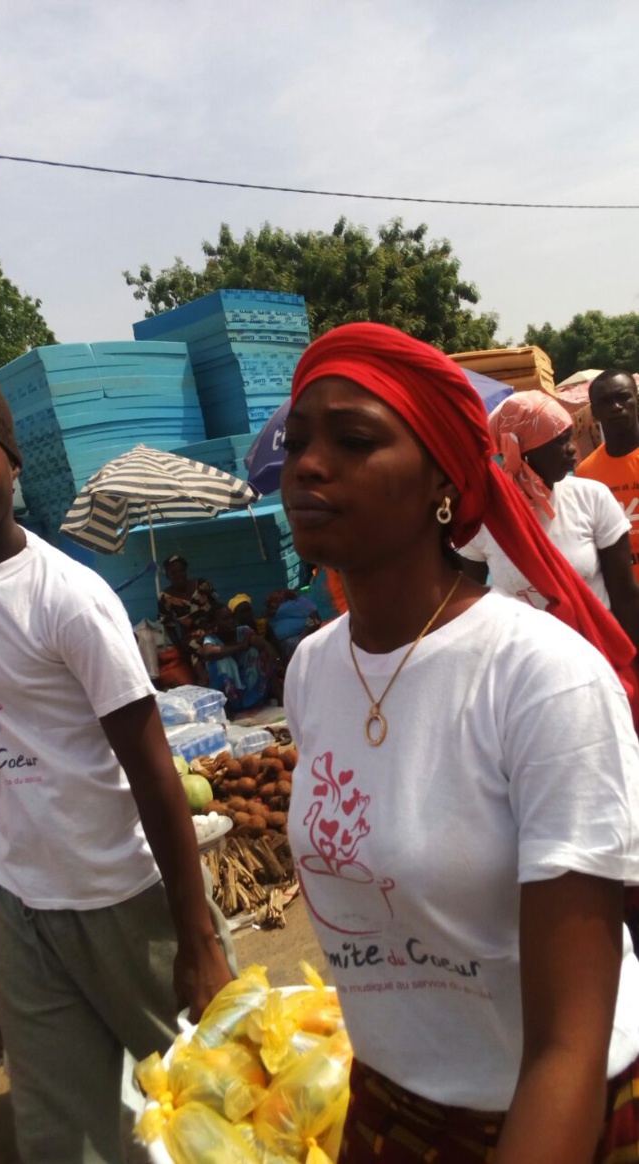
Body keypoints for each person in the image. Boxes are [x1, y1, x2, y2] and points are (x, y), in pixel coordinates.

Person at [281, 322, 639, 1164]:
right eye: (297, 440)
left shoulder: (541, 677)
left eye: (354, 440)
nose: (307, 464)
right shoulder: (309, 672)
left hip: (557, 1119)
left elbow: (566, 1048)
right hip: (388, 1106)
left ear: (445, 476)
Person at [0, 360, 235, 1164]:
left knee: (217, 1106)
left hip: (126, 897)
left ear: (12, 465)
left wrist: (196, 940)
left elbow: (154, 765)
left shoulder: (67, 596)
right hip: (20, 901)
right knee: (64, 1134)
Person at [459, 390, 639, 648]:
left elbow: (626, 597)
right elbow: (473, 609)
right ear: (519, 451)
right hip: (527, 668)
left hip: (598, 655)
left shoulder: (592, 498)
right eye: (559, 441)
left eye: (570, 437)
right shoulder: (485, 520)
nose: (572, 450)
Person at [576, 370, 639, 581]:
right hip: (623, 593)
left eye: (623, 397)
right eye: (606, 402)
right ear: (594, 412)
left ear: (636, 399)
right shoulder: (586, 473)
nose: (616, 406)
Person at [199, 604, 283, 714]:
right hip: (230, 694)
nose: (231, 621)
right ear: (215, 624)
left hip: (248, 685)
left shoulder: (244, 631)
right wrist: (241, 646)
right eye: (226, 619)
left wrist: (277, 661)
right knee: (220, 662)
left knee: (258, 653)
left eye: (232, 617)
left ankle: (280, 700)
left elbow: (261, 643)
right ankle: (226, 709)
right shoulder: (211, 639)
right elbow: (208, 652)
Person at [157, 554, 219, 684]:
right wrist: (180, 649)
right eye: (173, 573)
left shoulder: (202, 585)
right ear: (168, 576)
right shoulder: (165, 598)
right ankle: (206, 682)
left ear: (186, 570)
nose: (179, 575)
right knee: (197, 650)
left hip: (213, 628)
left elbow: (217, 606)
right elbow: (169, 627)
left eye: (181, 570)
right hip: (190, 636)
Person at [265, 587, 321, 659]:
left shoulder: (294, 604)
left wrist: (306, 632)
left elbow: (315, 616)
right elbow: (315, 616)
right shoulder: (273, 619)